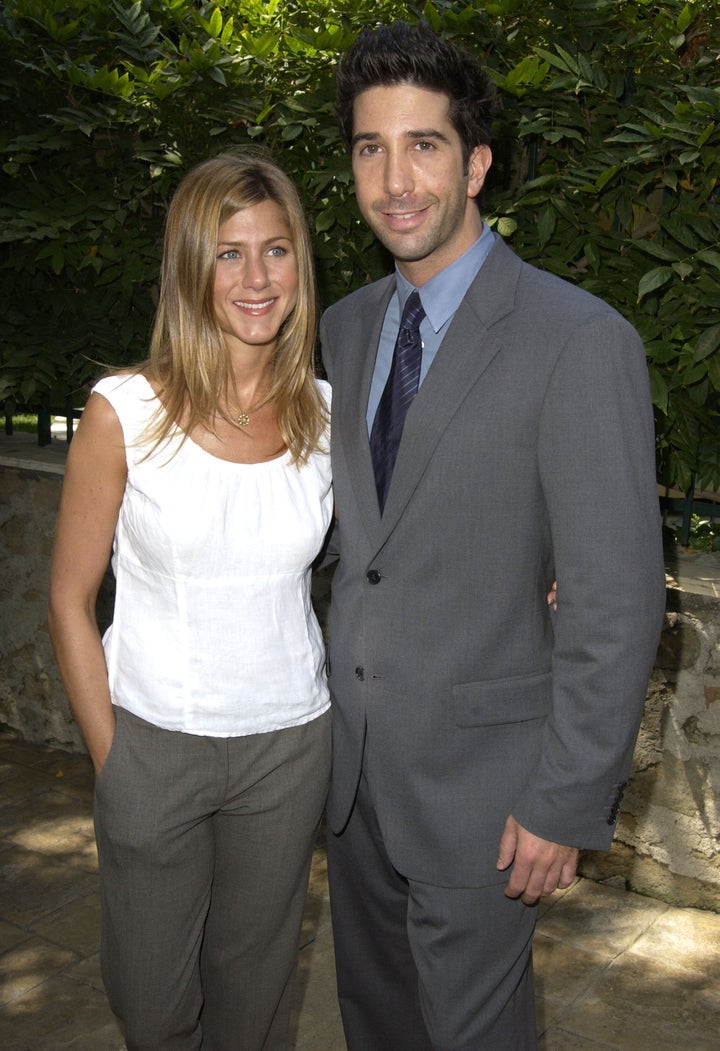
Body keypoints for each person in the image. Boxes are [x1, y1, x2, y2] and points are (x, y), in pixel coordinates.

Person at [320, 21, 666, 1051]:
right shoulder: (342, 327)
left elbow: (615, 595)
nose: (394, 179)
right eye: (370, 147)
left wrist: (566, 800)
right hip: (354, 784)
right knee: (377, 1025)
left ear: (475, 164)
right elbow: (362, 545)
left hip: (489, 791)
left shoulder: (582, 340)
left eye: (423, 144)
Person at [48, 151, 333, 1051]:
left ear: (300, 266)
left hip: (288, 748)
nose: (257, 278)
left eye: (276, 250)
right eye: (228, 253)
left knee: (252, 1003)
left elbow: (418, 533)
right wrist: (114, 760)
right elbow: (67, 597)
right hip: (154, 744)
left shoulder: (328, 418)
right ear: (188, 267)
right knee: (153, 1005)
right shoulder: (122, 411)